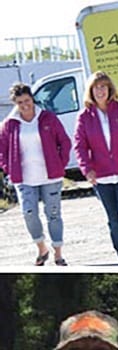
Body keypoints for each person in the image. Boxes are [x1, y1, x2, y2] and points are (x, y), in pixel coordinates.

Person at [73, 71, 118, 266]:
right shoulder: (84, 117)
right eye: (96, 87)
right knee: (114, 219)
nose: (100, 91)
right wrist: (86, 169)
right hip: (101, 177)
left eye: (103, 86)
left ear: (110, 89)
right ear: (90, 91)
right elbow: (80, 146)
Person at [0, 82, 72, 266]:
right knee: (29, 213)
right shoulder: (10, 125)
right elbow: (2, 150)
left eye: (27, 100)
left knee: (53, 213)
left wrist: (60, 164)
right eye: (20, 102)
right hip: (24, 178)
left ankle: (58, 253)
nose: (25, 105)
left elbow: (64, 141)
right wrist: (9, 169)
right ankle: (41, 247)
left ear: (32, 99)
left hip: (50, 176)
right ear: (15, 103)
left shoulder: (48, 118)